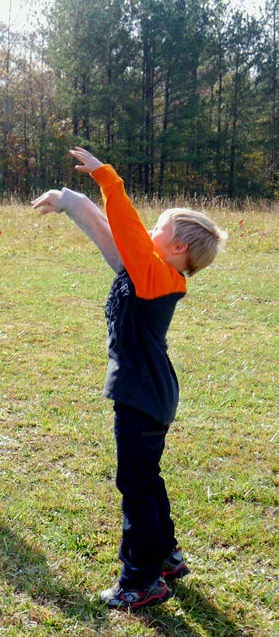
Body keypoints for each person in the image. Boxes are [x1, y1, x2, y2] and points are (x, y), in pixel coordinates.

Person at [32, 147, 227, 611]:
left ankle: (142, 580)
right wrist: (70, 201)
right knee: (146, 478)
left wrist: (108, 179)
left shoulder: (157, 276)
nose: (148, 232)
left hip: (142, 396)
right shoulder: (149, 272)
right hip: (148, 392)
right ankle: (167, 556)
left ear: (176, 247)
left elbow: (125, 230)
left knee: (135, 484)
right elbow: (111, 236)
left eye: (158, 228)